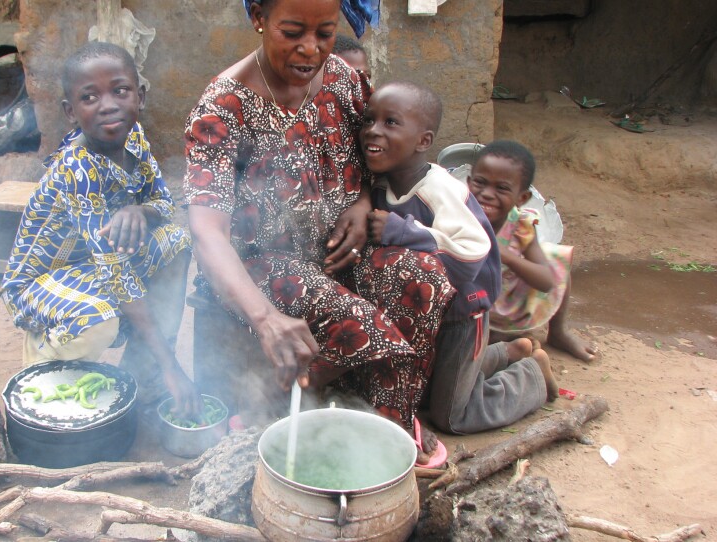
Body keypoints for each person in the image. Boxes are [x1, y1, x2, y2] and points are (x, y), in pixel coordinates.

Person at [184, 0, 453, 462]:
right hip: (263, 274)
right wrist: (266, 319)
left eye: (324, 33)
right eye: (292, 32)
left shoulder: (343, 80)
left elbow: (372, 158)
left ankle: (385, 426)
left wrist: (363, 201)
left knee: (424, 277)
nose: (310, 49)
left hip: (337, 257)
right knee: (364, 325)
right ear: (259, 20)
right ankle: (283, 405)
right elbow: (207, 233)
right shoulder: (222, 109)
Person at [0, 41, 201, 418]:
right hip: (39, 283)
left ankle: (145, 371)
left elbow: (163, 204)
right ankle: (44, 366)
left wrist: (138, 209)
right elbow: (116, 275)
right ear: (70, 112)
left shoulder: (134, 138)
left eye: (120, 90)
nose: (108, 104)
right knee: (100, 319)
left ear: (139, 97)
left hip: (91, 265)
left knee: (176, 240)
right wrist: (175, 364)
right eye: (89, 97)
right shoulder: (77, 169)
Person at [362, 82, 558, 435]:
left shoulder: (439, 189)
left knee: (452, 416)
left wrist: (404, 232)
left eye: (390, 122)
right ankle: (505, 354)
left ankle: (532, 378)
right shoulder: (382, 182)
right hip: (430, 311)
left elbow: (471, 255)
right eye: (368, 120)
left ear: (424, 141)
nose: (373, 130)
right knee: (432, 385)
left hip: (463, 314)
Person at [468, 140, 597, 362]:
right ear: (468, 183)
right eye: (480, 183)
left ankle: (557, 333)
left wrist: (504, 254)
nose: (487, 194)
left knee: (556, 260)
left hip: (510, 304)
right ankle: (511, 348)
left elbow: (547, 281)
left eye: (501, 188)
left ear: (522, 198)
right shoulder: (459, 216)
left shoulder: (520, 225)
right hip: (472, 306)